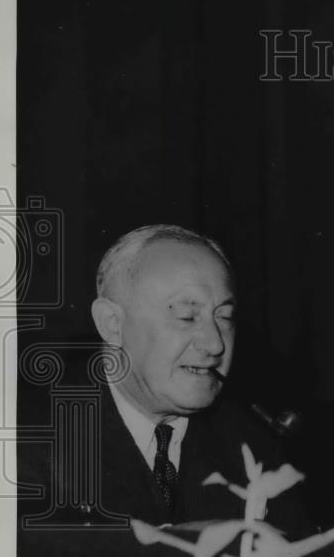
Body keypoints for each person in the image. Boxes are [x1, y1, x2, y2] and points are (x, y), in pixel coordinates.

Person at [17, 224, 309, 530]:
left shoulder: (255, 445)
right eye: (186, 316)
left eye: (223, 318)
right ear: (112, 324)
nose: (215, 344)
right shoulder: (27, 441)